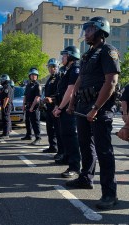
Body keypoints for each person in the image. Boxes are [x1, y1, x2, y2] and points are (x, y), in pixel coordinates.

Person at [66, 17, 120, 210]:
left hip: (100, 108)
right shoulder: (88, 54)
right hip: (83, 106)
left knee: (104, 150)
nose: (86, 33)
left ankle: (110, 194)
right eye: (86, 29)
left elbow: (111, 83)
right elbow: (80, 80)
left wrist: (96, 108)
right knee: (84, 144)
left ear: (99, 31)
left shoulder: (109, 51)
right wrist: (72, 102)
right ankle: (85, 178)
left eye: (89, 29)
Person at [52, 46, 81, 178]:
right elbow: (62, 91)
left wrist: (60, 108)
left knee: (71, 138)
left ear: (70, 56)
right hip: (64, 108)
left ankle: (74, 166)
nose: (62, 58)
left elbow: (70, 92)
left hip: (70, 110)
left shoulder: (75, 69)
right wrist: (57, 105)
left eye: (64, 56)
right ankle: (67, 158)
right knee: (65, 136)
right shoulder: (67, 70)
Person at [43, 58, 63, 155]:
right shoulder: (50, 79)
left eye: (54, 67)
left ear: (57, 67)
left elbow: (60, 93)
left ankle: (60, 151)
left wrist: (53, 100)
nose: (52, 69)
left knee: (58, 130)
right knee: (50, 128)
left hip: (56, 106)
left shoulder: (59, 78)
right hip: (48, 107)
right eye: (50, 67)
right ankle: (52, 146)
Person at [22, 68, 41, 145]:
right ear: (29, 76)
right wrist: (23, 105)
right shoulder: (28, 85)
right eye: (32, 75)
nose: (34, 76)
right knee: (27, 121)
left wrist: (32, 107)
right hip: (28, 106)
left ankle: (38, 137)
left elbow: (37, 97)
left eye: (35, 75)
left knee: (35, 122)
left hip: (34, 107)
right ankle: (28, 135)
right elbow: (25, 96)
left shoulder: (37, 85)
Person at [0, 74, 13, 139]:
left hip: (6, 106)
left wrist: (3, 106)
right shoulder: (5, 87)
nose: (1, 80)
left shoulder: (7, 87)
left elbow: (7, 98)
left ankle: (6, 134)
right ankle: (5, 132)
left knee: (6, 119)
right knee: (5, 119)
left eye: (2, 79)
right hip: (5, 105)